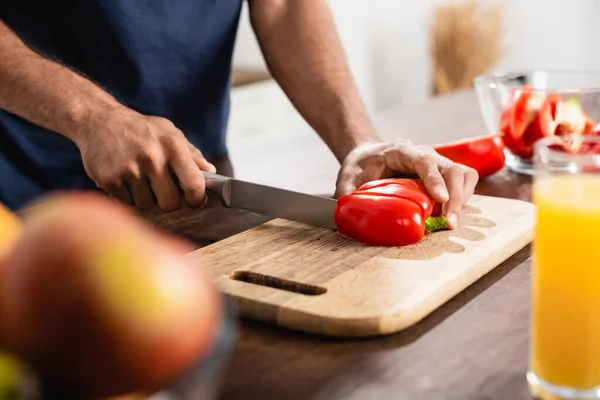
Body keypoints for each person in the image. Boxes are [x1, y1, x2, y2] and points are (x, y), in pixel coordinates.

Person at [0, 0, 477, 229]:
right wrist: (91, 115)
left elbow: (285, 7)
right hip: (23, 199)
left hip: (194, 192)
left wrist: (360, 142)